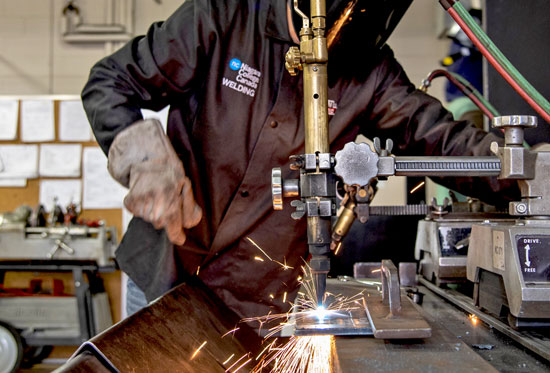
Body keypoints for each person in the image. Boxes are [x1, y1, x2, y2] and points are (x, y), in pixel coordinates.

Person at [82, 0, 517, 319]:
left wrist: (527, 172)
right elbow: (109, 82)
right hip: (164, 273)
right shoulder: (223, 16)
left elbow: (441, 141)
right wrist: (145, 161)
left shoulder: (370, 70)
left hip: (261, 301)